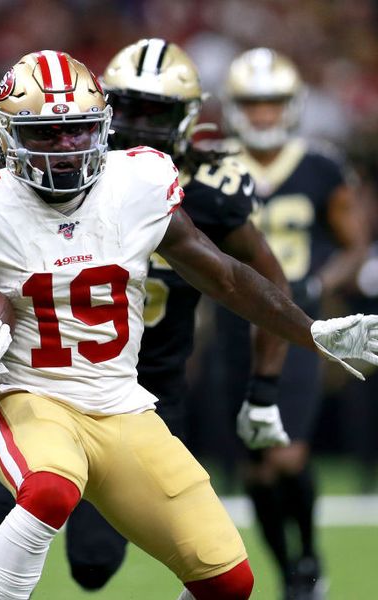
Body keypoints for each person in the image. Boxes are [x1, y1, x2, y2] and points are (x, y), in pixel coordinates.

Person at [0, 50, 378, 600]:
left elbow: (226, 276)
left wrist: (310, 331)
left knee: (229, 581)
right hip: (32, 397)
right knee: (50, 492)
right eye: (47, 134)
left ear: (101, 127)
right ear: (9, 134)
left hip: (123, 404)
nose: (66, 149)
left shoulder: (137, 182)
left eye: (79, 131)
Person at [0, 38, 293, 593]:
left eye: (160, 112)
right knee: (36, 496)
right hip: (43, 384)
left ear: (189, 119)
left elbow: (252, 278)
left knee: (96, 566)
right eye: (130, 108)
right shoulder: (33, 177)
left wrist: (268, 382)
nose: (142, 125)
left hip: (143, 389)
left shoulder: (201, 191)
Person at [217, 47, 370, 600]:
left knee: (288, 452)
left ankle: (307, 557)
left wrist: (320, 285)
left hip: (299, 328)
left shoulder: (321, 164)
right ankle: (289, 572)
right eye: (253, 103)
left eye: (272, 102)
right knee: (257, 470)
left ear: (292, 104)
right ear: (235, 106)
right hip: (236, 329)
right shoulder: (215, 165)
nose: (262, 114)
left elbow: (355, 244)